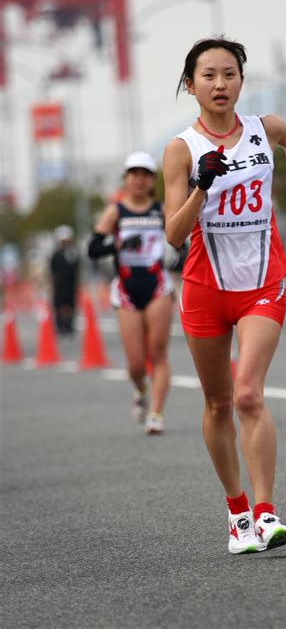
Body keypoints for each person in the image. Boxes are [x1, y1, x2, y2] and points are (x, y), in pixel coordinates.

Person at [163, 37, 286, 554]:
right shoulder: (181, 150)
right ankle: (237, 512)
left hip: (262, 285)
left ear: (241, 81)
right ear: (190, 85)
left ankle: (267, 512)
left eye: (229, 74)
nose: (220, 84)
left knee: (248, 393)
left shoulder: (264, 130)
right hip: (205, 288)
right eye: (208, 75)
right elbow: (173, 233)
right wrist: (201, 188)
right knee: (218, 402)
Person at [88, 151, 174, 435]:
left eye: (146, 174)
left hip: (157, 285)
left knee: (158, 353)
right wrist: (119, 246)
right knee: (136, 363)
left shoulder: (160, 209)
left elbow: (181, 239)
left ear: (152, 181)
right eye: (134, 174)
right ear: (126, 178)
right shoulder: (116, 210)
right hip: (126, 289)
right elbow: (93, 248)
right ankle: (140, 389)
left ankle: (156, 413)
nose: (139, 179)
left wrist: (181, 257)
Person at [50, 225, 80, 335]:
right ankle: (60, 326)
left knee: (71, 305)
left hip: (71, 284)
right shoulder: (56, 254)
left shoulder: (73, 253)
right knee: (59, 305)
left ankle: (69, 326)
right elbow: (52, 269)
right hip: (59, 285)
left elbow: (77, 268)